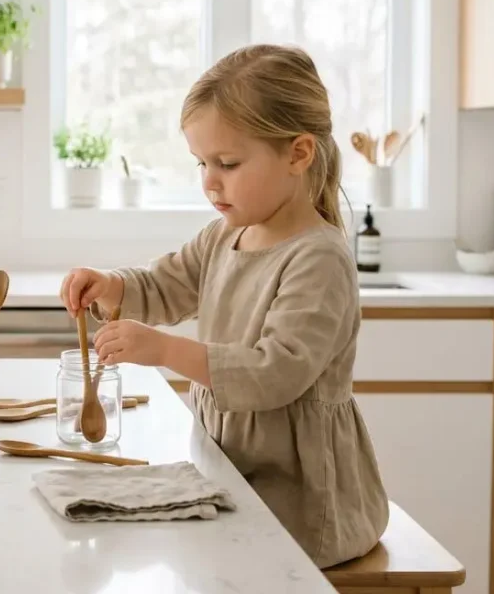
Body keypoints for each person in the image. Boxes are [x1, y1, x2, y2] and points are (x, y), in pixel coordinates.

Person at [59, 44, 389, 569]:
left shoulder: (318, 257)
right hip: (233, 470)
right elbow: (165, 284)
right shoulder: (224, 235)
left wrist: (165, 349)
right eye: (202, 163)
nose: (210, 181)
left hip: (306, 502)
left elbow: (274, 373)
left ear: (298, 154)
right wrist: (111, 286)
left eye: (228, 163)